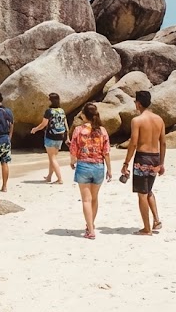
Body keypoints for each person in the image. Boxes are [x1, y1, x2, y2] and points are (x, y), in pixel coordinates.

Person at [122, 91, 166, 236]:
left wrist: (126, 163)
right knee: (148, 191)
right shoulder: (159, 119)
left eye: (135, 102)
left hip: (142, 158)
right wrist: (161, 163)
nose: (135, 104)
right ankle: (156, 220)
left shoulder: (137, 120)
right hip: (155, 157)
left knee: (142, 194)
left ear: (139, 103)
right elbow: (163, 143)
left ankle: (147, 229)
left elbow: (133, 143)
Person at [69, 103, 112, 240]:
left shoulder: (78, 130)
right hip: (99, 166)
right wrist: (109, 170)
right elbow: (106, 152)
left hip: (83, 166)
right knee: (94, 199)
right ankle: (90, 225)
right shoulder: (102, 131)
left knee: (86, 200)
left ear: (84, 115)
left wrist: (72, 161)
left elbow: (73, 150)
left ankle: (91, 230)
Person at [29, 93, 67, 184]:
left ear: (51, 100)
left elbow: (44, 124)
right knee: (52, 158)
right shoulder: (61, 110)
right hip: (60, 136)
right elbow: (65, 124)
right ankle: (49, 177)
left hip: (51, 136)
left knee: (52, 158)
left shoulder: (49, 111)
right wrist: (67, 136)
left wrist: (35, 129)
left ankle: (59, 178)